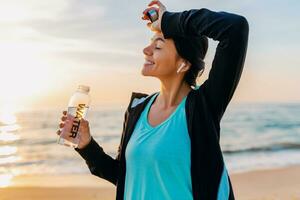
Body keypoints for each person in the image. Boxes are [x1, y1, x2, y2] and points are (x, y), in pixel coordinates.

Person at [57, 0, 249, 199]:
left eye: (158, 46)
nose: (146, 50)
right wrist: (87, 145)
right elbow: (126, 177)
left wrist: (167, 20)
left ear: (183, 64)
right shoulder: (137, 108)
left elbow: (234, 28)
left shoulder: (202, 107)